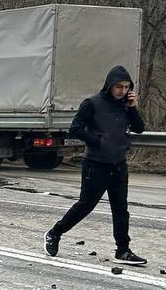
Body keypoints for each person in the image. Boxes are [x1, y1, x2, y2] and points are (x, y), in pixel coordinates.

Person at [45, 66, 146, 265]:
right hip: (95, 164)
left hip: (118, 164)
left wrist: (133, 107)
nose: (123, 91)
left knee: (120, 208)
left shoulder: (126, 106)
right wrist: (97, 141)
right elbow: (75, 128)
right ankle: (54, 233)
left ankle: (123, 250)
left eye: (126, 87)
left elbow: (139, 129)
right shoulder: (92, 103)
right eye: (119, 86)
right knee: (86, 205)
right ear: (109, 85)